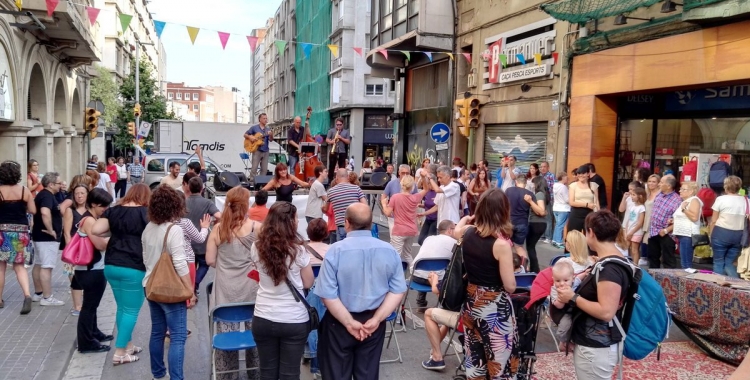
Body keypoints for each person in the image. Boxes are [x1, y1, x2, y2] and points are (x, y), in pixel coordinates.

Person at [315, 203, 407, 379]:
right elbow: (397, 291)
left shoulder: (336, 250)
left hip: (339, 320)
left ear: (346, 223)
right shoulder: (389, 250)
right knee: (367, 374)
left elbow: (328, 294)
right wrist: (377, 318)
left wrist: (349, 323)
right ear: (371, 224)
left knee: (336, 374)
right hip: (373, 321)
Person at [556, 210, 633, 380]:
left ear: (590, 232)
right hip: (597, 343)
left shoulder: (609, 269)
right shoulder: (611, 262)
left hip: (597, 346)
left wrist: (573, 297)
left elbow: (606, 312)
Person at [448, 189, 516, 377]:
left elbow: (456, 230)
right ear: (503, 211)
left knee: (474, 359)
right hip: (494, 306)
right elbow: (510, 285)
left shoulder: (468, 233)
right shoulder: (501, 245)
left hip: (471, 302)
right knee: (498, 362)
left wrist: (468, 218)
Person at [249, 202, 313, 379]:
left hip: (263, 315)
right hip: (293, 318)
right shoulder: (298, 250)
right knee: (290, 373)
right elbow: (308, 283)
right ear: (291, 222)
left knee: (267, 372)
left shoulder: (256, 247)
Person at [205, 186, 260, 380]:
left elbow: (210, 260)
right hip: (251, 289)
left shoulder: (218, 229)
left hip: (225, 291)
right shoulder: (256, 228)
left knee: (226, 332)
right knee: (255, 333)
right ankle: (255, 373)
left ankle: (227, 374)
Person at [91, 183, 150, 364]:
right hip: (134, 265)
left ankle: (128, 344)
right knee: (131, 310)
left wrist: (116, 230)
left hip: (111, 264)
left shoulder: (114, 211)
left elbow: (95, 230)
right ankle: (120, 353)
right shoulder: (146, 213)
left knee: (122, 308)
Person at [141, 186, 195, 380]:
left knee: (157, 331)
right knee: (178, 336)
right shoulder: (174, 230)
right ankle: (176, 378)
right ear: (175, 206)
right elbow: (180, 263)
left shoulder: (148, 227)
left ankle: (158, 374)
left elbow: (146, 257)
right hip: (170, 289)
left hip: (151, 285)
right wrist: (189, 289)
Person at [75, 188, 114, 354]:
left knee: (92, 305)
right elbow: (100, 244)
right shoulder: (90, 221)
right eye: (102, 205)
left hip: (90, 268)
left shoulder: (91, 218)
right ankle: (86, 342)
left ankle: (94, 333)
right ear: (93, 204)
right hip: (91, 269)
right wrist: (114, 237)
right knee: (89, 307)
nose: (105, 208)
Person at [0, 161, 36, 314]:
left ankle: (0, 299)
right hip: (20, 233)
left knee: (0, 266)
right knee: (19, 266)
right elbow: (33, 210)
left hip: (1, 233)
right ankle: (27, 295)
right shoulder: (24, 190)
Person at [183, 177, 221, 297]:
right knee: (204, 264)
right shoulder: (207, 203)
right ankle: (195, 284)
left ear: (188, 188)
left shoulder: (184, 202)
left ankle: (190, 286)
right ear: (202, 188)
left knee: (190, 265)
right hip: (202, 240)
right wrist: (215, 222)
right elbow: (219, 215)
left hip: (187, 240)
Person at [31, 172, 64, 306]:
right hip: (46, 237)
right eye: (58, 183)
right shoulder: (47, 196)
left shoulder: (43, 195)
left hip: (39, 235)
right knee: (47, 266)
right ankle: (47, 297)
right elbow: (45, 212)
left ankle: (38, 293)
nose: (61, 185)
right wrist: (51, 230)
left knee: (39, 263)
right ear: (51, 184)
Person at [381, 175, 429, 266]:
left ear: (401, 184)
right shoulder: (415, 197)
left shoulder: (395, 197)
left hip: (399, 230)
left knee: (396, 255)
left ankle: (396, 276)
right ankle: (413, 273)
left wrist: (384, 204)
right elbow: (426, 189)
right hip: (411, 229)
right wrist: (423, 177)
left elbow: (387, 213)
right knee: (407, 254)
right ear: (412, 186)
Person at [411, 220, 456, 308]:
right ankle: (443, 304)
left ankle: (420, 302)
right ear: (449, 230)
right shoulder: (454, 242)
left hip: (416, 277)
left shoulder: (429, 238)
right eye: (454, 229)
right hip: (437, 281)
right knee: (447, 271)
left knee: (427, 268)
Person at [709, 175, 747, 277]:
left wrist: (710, 236)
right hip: (738, 235)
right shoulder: (747, 201)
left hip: (721, 233)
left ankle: (717, 288)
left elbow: (713, 221)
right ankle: (736, 287)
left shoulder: (721, 199)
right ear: (739, 187)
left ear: (725, 187)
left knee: (718, 262)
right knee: (729, 263)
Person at [420, 271, 457, 371]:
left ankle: (437, 357)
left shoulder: (463, 267)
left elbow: (441, 292)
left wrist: (434, 281)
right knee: (447, 312)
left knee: (429, 313)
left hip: (465, 320)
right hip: (490, 320)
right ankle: (434, 351)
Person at [63, 183, 89, 316]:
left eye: (82, 193)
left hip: (88, 248)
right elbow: (67, 232)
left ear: (87, 194)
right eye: (77, 193)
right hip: (74, 247)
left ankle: (86, 304)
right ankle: (77, 306)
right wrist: (70, 250)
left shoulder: (90, 210)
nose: (79, 196)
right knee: (75, 277)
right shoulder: (70, 210)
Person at [648, 175, 681, 269]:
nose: (659, 184)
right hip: (653, 231)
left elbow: (679, 220)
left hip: (666, 233)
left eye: (661, 182)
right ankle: (653, 281)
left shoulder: (677, 200)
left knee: (668, 260)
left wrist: (666, 230)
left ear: (669, 186)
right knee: (653, 258)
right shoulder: (659, 195)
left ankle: (668, 282)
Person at [324, 169, 366, 241]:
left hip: (341, 226)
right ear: (347, 177)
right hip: (355, 226)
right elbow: (365, 206)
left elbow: (325, 209)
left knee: (342, 249)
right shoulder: (356, 188)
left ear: (336, 178)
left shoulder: (331, 191)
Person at [504, 176, 538, 262]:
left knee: (507, 245)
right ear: (525, 183)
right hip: (522, 223)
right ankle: (524, 268)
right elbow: (535, 209)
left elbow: (503, 204)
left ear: (516, 182)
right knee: (519, 247)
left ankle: (508, 266)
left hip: (509, 223)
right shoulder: (530, 194)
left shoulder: (509, 190)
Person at [550, 260, 581, 349]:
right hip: (563, 312)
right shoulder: (555, 289)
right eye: (558, 280)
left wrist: (585, 273)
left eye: (566, 280)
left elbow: (580, 278)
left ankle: (574, 339)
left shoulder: (575, 282)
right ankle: (563, 341)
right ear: (553, 279)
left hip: (576, 308)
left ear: (572, 278)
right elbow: (559, 306)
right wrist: (562, 297)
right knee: (565, 324)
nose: (562, 283)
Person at [673, 182, 702, 269]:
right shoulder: (686, 201)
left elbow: (694, 217)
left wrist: (683, 209)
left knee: (686, 263)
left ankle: (687, 280)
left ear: (691, 191)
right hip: (682, 234)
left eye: (683, 189)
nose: (680, 191)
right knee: (684, 262)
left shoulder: (694, 200)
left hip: (688, 235)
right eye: (680, 189)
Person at [526, 176, 550, 273]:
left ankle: (534, 269)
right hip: (539, 224)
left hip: (536, 223)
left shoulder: (539, 194)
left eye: (533, 183)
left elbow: (541, 211)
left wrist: (530, 201)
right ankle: (534, 268)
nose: (531, 185)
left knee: (530, 247)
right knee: (531, 247)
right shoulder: (543, 194)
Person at [567, 164, 600, 234]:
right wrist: (587, 204)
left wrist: (598, 214)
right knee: (573, 236)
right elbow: (571, 202)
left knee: (590, 236)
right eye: (579, 173)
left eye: (583, 173)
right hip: (576, 214)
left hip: (590, 214)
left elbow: (596, 202)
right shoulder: (573, 185)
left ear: (588, 174)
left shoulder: (593, 185)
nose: (581, 175)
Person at [383, 164, 417, 231]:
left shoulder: (413, 184)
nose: (405, 175)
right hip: (394, 217)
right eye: (403, 173)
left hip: (407, 217)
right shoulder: (391, 183)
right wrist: (385, 206)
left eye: (407, 173)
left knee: (407, 238)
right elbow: (384, 196)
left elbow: (417, 198)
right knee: (395, 239)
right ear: (399, 173)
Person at [619, 182, 646, 265]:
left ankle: (635, 266)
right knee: (627, 247)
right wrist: (626, 230)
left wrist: (631, 232)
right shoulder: (632, 205)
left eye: (633, 194)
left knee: (635, 249)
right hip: (628, 229)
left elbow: (639, 223)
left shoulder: (641, 207)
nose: (631, 194)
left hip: (636, 231)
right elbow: (627, 217)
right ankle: (629, 264)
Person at [245, 113, 274, 181]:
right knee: (254, 168)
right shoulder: (254, 128)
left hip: (266, 150)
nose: (265, 120)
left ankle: (261, 183)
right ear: (260, 119)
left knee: (264, 169)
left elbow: (271, 140)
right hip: (257, 150)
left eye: (266, 118)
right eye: (264, 118)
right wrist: (250, 137)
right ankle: (252, 182)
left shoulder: (268, 129)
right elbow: (245, 135)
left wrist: (271, 135)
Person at [326, 118, 351, 184]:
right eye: (337, 125)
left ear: (343, 125)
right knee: (331, 167)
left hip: (342, 152)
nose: (338, 126)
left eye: (340, 125)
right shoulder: (331, 131)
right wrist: (332, 141)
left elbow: (348, 141)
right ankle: (330, 181)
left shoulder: (346, 132)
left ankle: (342, 182)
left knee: (342, 168)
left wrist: (341, 138)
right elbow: (327, 140)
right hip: (333, 151)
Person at [552, 172, 571, 248]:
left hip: (556, 207)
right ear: (563, 177)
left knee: (557, 224)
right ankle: (559, 241)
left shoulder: (555, 185)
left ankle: (554, 240)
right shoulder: (563, 187)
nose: (567, 179)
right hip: (563, 208)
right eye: (566, 177)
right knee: (561, 225)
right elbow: (567, 199)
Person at [540, 161, 556, 242]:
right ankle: (542, 235)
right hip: (540, 200)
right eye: (541, 167)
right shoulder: (539, 176)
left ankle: (548, 237)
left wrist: (552, 200)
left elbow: (553, 189)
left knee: (548, 218)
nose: (542, 168)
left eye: (544, 167)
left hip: (548, 200)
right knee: (541, 217)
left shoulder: (551, 176)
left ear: (548, 167)